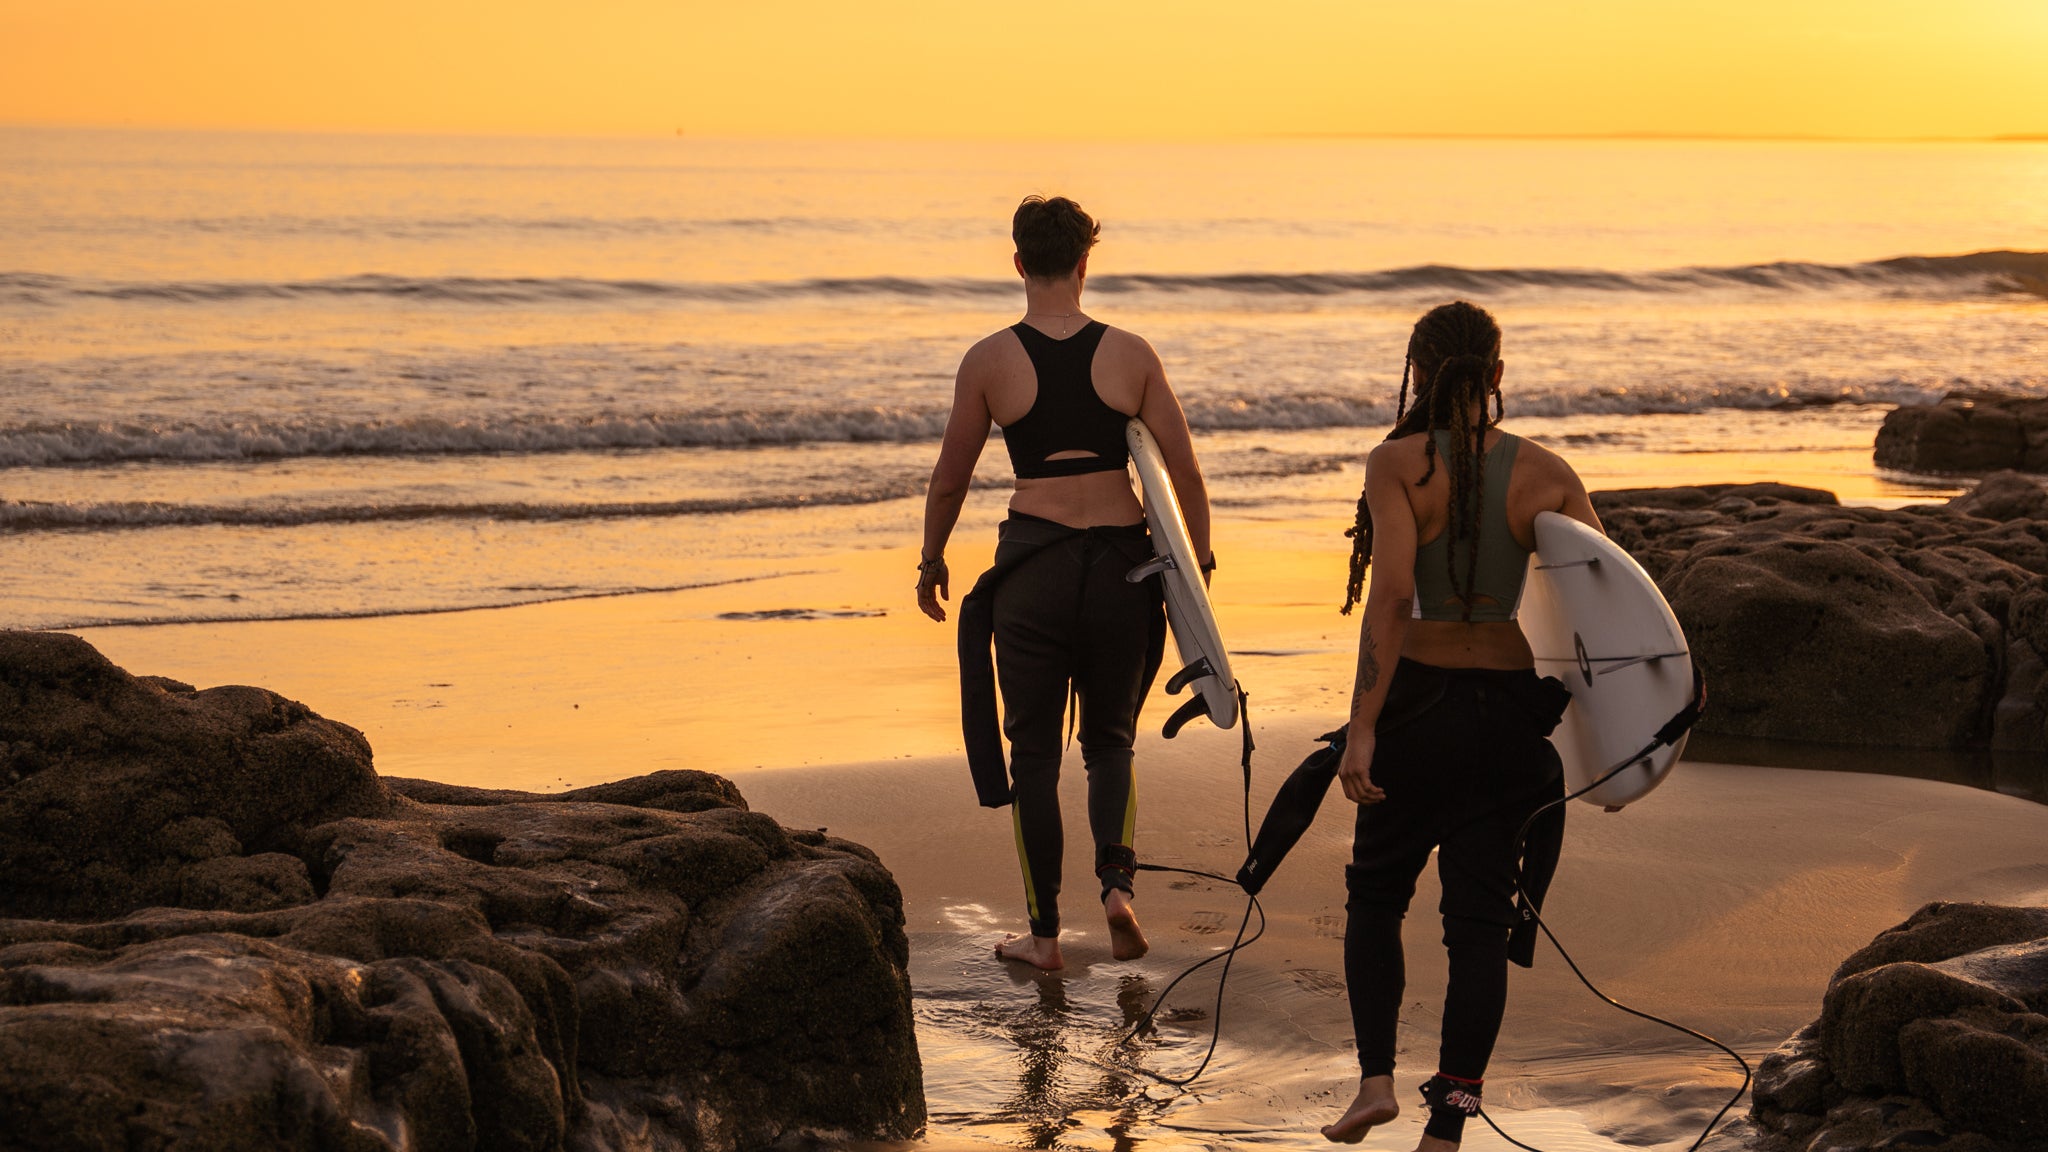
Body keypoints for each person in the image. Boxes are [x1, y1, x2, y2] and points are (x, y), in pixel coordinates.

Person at [1320, 301, 1600, 1149]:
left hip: (1419, 708)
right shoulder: (1548, 472)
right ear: (1498, 376)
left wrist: (1362, 726)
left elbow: (1396, 595)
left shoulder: (1398, 463)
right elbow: (1607, 612)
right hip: (1507, 720)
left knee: (1376, 895)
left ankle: (1376, 1083)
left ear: (1416, 369)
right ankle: (1450, 1125)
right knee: (1477, 925)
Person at [916, 195, 1213, 973]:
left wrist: (932, 557)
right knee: (1111, 741)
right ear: (1087, 262)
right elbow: (1182, 471)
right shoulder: (1132, 355)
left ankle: (1044, 937)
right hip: (1122, 569)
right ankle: (1117, 887)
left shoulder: (989, 361)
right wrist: (1199, 566)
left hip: (1034, 571)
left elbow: (950, 479)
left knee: (1036, 759)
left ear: (1018, 262)